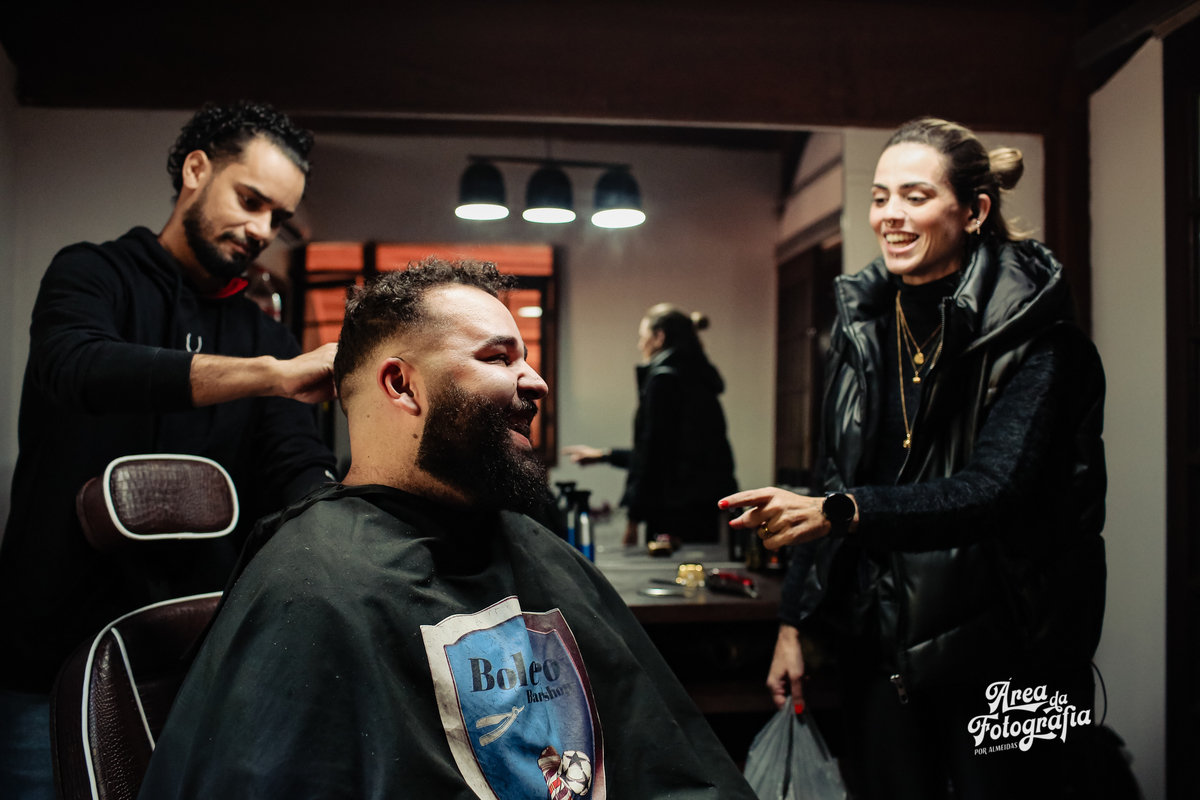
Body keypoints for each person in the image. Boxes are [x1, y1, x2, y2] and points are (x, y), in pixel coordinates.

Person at [137, 259, 756, 799]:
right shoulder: (312, 585)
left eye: (525, 358)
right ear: (401, 384)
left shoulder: (528, 546)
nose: (536, 381)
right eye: (498, 357)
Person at [721, 118, 1106, 799]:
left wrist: (840, 512)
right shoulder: (864, 328)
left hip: (1014, 653)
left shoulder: (1040, 337)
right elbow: (833, 478)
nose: (890, 216)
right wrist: (793, 624)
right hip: (881, 641)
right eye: (880, 197)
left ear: (975, 210)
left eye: (916, 196)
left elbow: (994, 490)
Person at [0, 102, 337, 799]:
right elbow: (79, 367)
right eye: (251, 201)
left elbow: (295, 468)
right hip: (49, 657)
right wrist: (267, 376)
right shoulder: (91, 274)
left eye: (278, 218)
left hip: (198, 663)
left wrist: (357, 523)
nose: (262, 230)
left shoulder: (265, 335)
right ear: (196, 169)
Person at [564, 304, 737, 544]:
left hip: (673, 510)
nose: (640, 344)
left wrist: (633, 520)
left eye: (642, 336)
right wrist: (604, 456)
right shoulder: (697, 377)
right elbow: (673, 450)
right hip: (705, 507)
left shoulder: (665, 380)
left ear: (659, 337)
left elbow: (654, 454)